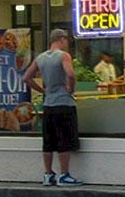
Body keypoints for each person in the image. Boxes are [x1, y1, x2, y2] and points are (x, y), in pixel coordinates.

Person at [24, 28, 83, 187]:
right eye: (65, 40)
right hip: (63, 103)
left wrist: (42, 90)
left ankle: (48, 174)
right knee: (64, 138)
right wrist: (71, 89)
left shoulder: (40, 58)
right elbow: (70, 74)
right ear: (62, 39)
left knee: (48, 141)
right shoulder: (64, 56)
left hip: (48, 104)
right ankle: (64, 175)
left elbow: (27, 77)